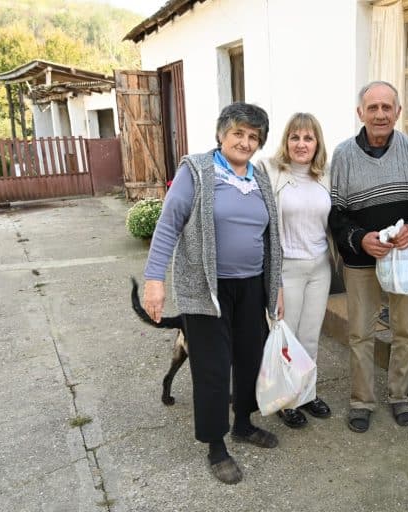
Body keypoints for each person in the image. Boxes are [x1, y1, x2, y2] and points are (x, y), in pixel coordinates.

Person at [142, 102, 283, 484]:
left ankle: (243, 424)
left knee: (249, 358)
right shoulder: (198, 171)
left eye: (254, 136)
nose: (246, 141)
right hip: (207, 288)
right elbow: (169, 223)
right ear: (222, 134)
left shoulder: (259, 177)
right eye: (238, 133)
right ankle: (216, 446)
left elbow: (271, 237)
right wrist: (155, 280)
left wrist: (276, 286)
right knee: (213, 369)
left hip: (251, 285)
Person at [329, 81, 408, 433]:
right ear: (360, 113)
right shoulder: (343, 155)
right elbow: (335, 212)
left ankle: (399, 395)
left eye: (387, 107)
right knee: (360, 333)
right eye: (372, 108)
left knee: (405, 331)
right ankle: (362, 400)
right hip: (362, 261)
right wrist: (360, 239)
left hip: (405, 258)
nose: (380, 114)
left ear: (398, 112)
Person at [258, 113, 333, 429]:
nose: (302, 144)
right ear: (286, 141)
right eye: (295, 137)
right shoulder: (270, 172)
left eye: (308, 138)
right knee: (286, 339)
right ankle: (285, 400)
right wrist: (272, 280)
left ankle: (306, 393)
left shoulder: (325, 176)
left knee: (310, 337)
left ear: (317, 143)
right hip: (286, 269)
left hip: (320, 267)